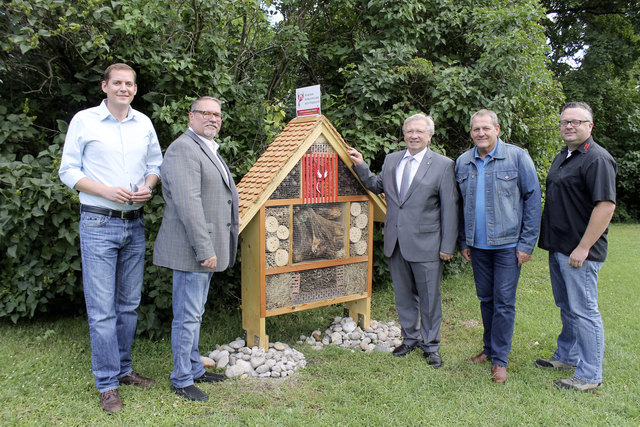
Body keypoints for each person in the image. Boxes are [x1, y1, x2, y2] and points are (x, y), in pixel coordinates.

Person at [59, 63, 162, 413]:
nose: (123, 88)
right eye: (117, 82)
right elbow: (68, 171)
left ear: (135, 89)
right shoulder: (84, 121)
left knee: (129, 306)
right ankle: (106, 383)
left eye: (129, 83)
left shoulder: (144, 123)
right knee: (102, 311)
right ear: (105, 86)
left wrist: (148, 187)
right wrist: (105, 191)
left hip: (134, 223)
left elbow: (155, 165)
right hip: (98, 223)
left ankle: (123, 369)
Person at [347, 114, 458, 368]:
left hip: (428, 244)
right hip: (396, 242)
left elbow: (450, 208)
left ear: (430, 135)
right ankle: (410, 338)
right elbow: (377, 185)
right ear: (404, 134)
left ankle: (431, 346)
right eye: (409, 131)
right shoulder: (392, 159)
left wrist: (447, 246)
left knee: (429, 299)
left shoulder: (443, 165)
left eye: (419, 131)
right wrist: (362, 166)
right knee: (404, 297)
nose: (413, 136)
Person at [153, 96, 239, 401]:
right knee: (187, 316)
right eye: (205, 113)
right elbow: (189, 205)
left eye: (217, 114)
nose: (213, 118)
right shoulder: (183, 149)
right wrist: (205, 249)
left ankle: (193, 368)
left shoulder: (207, 148)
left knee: (195, 313)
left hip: (205, 247)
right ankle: (181, 378)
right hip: (193, 250)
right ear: (191, 116)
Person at [455, 109, 541, 383]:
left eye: (486, 128)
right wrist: (463, 240)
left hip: (507, 245)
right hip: (477, 246)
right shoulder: (463, 162)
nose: (481, 133)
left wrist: (526, 243)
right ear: (471, 132)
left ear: (497, 129)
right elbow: (459, 206)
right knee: (486, 300)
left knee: (504, 302)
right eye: (476, 129)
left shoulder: (517, 157)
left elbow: (533, 200)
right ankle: (489, 350)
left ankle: (500, 360)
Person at [536, 102, 616, 392]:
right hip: (558, 246)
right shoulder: (564, 156)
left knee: (584, 310)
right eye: (564, 122)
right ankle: (568, 356)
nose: (569, 126)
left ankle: (590, 374)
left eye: (576, 122)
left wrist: (583, 248)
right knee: (566, 305)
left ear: (589, 126)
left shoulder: (597, 159)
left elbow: (605, 207)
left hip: (580, 252)